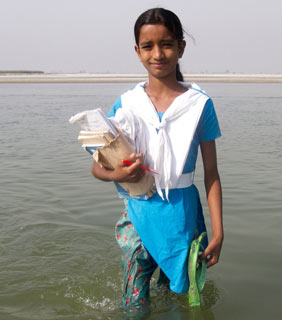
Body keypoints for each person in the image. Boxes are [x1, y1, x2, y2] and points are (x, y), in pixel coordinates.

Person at [91, 8, 223, 312]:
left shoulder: (199, 105)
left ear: (181, 47)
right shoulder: (126, 105)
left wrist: (219, 232)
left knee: (178, 297)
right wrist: (118, 175)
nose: (158, 54)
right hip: (138, 213)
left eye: (166, 44)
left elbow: (212, 174)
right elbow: (97, 166)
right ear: (137, 51)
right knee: (135, 305)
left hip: (184, 215)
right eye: (148, 46)